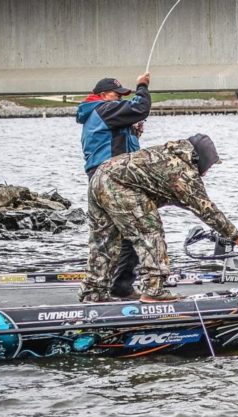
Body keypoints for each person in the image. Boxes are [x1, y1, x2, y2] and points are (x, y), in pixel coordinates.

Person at [79, 134, 238, 303]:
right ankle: (154, 291)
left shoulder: (166, 155)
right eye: (208, 166)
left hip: (100, 177)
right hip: (118, 185)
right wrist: (236, 237)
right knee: (149, 233)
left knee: (104, 241)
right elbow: (206, 209)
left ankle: (93, 292)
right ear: (202, 159)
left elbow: (183, 199)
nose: (206, 173)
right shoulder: (183, 172)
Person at [76, 74, 151, 299]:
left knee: (108, 235)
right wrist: (142, 86)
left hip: (101, 178)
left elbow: (120, 145)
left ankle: (101, 288)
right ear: (101, 95)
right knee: (138, 230)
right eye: (115, 95)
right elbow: (141, 108)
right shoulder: (104, 109)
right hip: (111, 179)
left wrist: (134, 132)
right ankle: (119, 285)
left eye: (120, 96)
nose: (118, 99)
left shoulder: (100, 114)